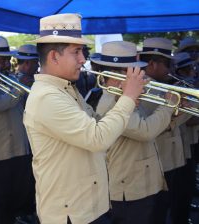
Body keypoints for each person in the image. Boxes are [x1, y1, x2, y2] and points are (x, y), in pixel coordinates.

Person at [23, 13, 146, 224]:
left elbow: (94, 123)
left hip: (86, 207)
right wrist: (127, 99)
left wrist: (122, 101)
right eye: (77, 52)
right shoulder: (47, 97)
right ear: (54, 56)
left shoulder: (65, 88)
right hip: (72, 213)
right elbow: (97, 138)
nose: (83, 59)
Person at [94, 40, 174, 224]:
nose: (141, 75)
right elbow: (145, 131)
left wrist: (173, 113)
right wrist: (168, 106)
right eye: (134, 71)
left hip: (139, 184)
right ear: (119, 74)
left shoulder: (123, 97)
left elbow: (148, 124)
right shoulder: (113, 102)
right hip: (129, 189)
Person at [0, 36, 35, 224]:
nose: (4, 64)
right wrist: (20, 90)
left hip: (19, 148)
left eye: (5, 60)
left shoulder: (11, 78)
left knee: (14, 200)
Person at [139, 37, 191, 224]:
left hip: (170, 159)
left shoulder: (162, 86)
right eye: (167, 64)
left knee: (168, 208)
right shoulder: (146, 87)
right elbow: (152, 125)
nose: (169, 69)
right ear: (151, 64)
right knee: (158, 212)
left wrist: (182, 106)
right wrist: (176, 109)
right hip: (158, 159)